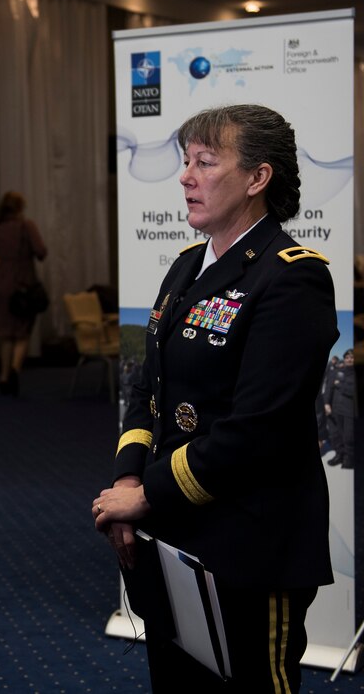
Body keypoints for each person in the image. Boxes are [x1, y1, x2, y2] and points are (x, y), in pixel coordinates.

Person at [92, 104, 338, 692]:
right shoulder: (184, 267)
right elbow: (148, 388)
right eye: (184, 161)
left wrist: (145, 495)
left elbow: (257, 432)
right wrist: (128, 479)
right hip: (173, 532)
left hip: (250, 543)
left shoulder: (292, 277)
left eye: (206, 161)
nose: (185, 176)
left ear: (257, 179)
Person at [0, 191, 47, 395]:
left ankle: (3, 377)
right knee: (22, 333)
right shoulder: (27, 227)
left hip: (3, 286)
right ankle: (16, 369)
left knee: (6, 335)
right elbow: (41, 251)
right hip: (24, 286)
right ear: (20, 208)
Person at [323, 349, 355, 469]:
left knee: (349, 437)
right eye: (347, 357)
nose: (349, 359)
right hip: (335, 409)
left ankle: (349, 458)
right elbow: (329, 389)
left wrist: (340, 385)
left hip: (349, 412)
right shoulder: (337, 372)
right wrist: (326, 403)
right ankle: (339, 455)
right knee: (335, 435)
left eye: (352, 358)